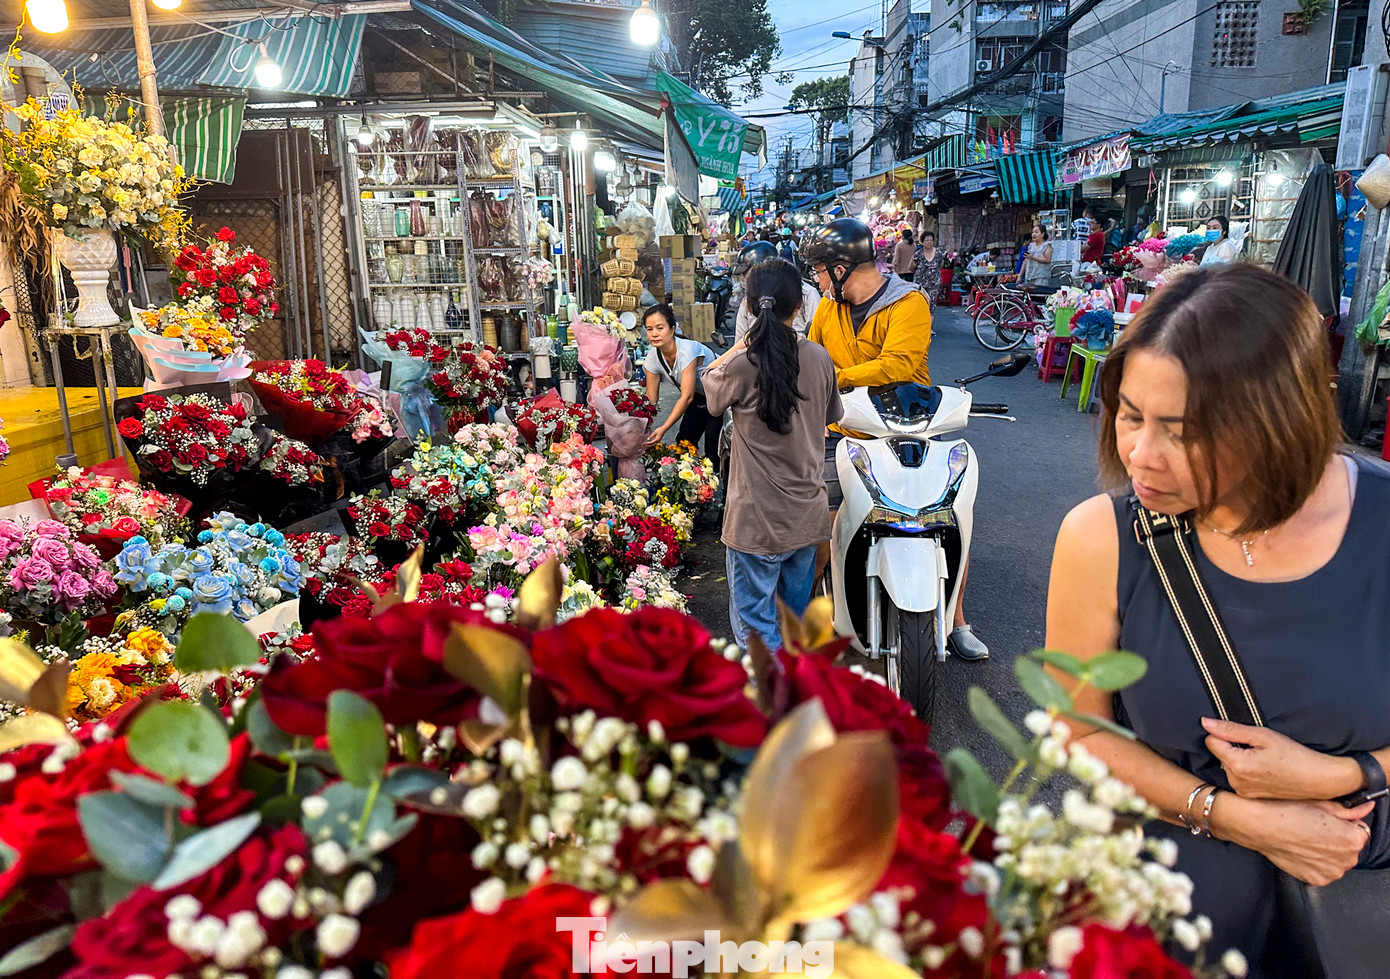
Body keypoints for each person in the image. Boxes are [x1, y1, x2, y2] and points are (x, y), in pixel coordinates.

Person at [1045, 263, 1390, 976]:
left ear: (1277, 421)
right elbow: (1074, 730)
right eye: (1131, 414)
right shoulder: (1100, 538)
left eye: (1183, 431)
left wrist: (1339, 772)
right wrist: (1234, 814)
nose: (1139, 454)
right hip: (1166, 920)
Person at [802, 217, 990, 661]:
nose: (816, 278)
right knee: (820, 519)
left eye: (820, 270)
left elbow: (900, 365)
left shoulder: (910, 303)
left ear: (841, 267)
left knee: (951, 515)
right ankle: (813, 605)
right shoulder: (828, 306)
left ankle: (957, 616)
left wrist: (833, 377)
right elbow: (810, 351)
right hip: (843, 426)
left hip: (909, 423)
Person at [703, 259, 843, 651]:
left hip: (755, 523)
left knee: (755, 631)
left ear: (748, 307)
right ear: (799, 305)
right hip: (804, 517)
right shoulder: (819, 359)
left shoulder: (739, 365)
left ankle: (770, 699)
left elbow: (711, 395)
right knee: (791, 623)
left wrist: (744, 341)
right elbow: (833, 416)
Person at [641, 304, 720, 468]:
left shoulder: (687, 350)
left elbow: (687, 396)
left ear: (672, 329)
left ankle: (724, 488)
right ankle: (691, 485)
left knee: (714, 448)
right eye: (649, 329)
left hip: (722, 393)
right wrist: (637, 428)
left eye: (660, 328)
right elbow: (651, 401)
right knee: (684, 441)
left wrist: (663, 429)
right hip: (701, 395)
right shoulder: (652, 359)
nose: (654, 334)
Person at [733, 240, 821, 342]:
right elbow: (739, 341)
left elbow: (816, 335)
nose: (746, 280)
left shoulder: (806, 292)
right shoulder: (748, 300)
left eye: (747, 274)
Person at [912, 230, 943, 310]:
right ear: (922, 242)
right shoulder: (918, 254)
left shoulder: (938, 254)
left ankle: (929, 322)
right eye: (927, 240)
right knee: (920, 303)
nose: (929, 242)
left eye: (931, 240)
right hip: (920, 283)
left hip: (934, 283)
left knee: (931, 305)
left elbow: (940, 265)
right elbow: (911, 267)